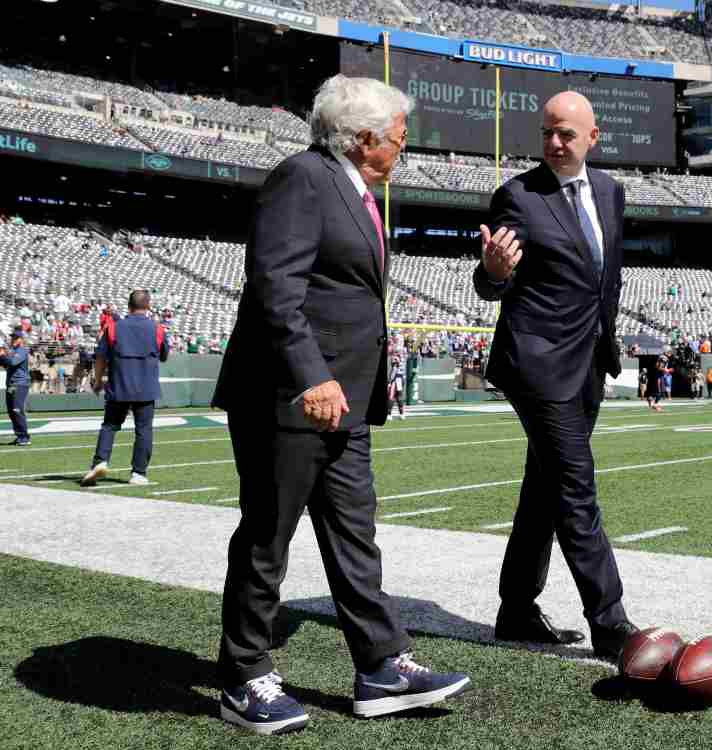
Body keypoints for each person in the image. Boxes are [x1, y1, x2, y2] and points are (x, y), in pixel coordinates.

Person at [210, 75, 469, 735]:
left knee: (356, 535)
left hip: (344, 401)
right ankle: (243, 676)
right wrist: (310, 375)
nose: (401, 154)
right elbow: (275, 281)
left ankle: (381, 665)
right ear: (361, 140)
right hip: (293, 396)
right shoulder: (302, 177)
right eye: (397, 143)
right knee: (268, 535)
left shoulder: (350, 188)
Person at [471, 90, 638, 661]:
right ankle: (611, 624)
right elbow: (494, 279)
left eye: (566, 133)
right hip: (538, 365)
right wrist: (492, 273)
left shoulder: (612, 193)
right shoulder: (517, 195)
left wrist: (606, 344)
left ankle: (515, 609)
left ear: (594, 136)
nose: (554, 142)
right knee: (574, 487)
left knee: (543, 490)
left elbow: (604, 278)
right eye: (546, 132)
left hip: (589, 360)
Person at [80, 290, 170, 487]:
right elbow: (164, 356)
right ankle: (138, 473)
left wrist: (97, 381)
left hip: (119, 385)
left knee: (110, 426)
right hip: (146, 388)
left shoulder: (113, 328)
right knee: (144, 430)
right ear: (148, 306)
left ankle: (100, 462)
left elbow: (101, 357)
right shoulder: (158, 329)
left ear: (129, 306)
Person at [0, 331, 31, 446]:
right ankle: (19, 435)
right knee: (11, 411)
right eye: (12, 337)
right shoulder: (13, 351)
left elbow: (12, 362)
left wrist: (2, 355)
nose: (13, 339)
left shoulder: (21, 351)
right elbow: (6, 364)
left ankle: (24, 437)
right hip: (11, 384)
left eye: (15, 338)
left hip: (20, 383)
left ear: (21, 340)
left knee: (17, 410)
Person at [387, 353, 406, 420]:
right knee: (399, 397)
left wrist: (389, 382)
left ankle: (389, 414)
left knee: (391, 397)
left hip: (396, 380)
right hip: (400, 380)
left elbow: (393, 372)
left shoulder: (396, 363)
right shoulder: (402, 362)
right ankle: (402, 414)